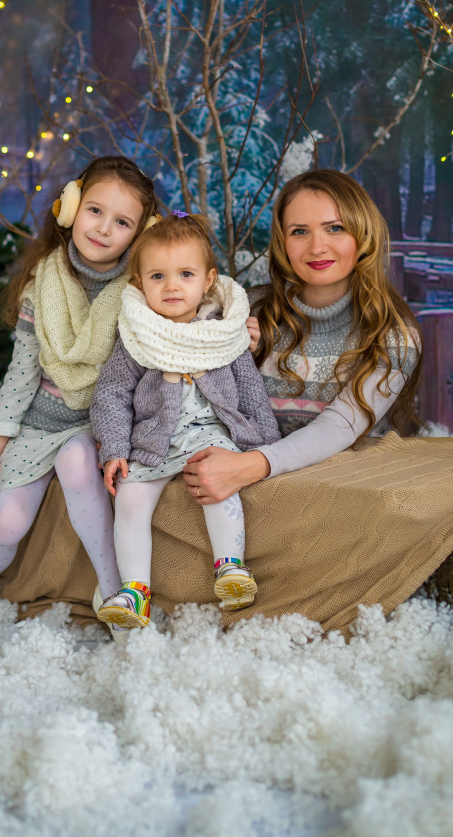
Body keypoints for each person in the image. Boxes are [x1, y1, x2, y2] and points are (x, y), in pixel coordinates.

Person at [0, 155, 159, 617]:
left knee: (76, 456)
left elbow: (188, 314)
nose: (104, 228)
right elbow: (18, 380)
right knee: (6, 523)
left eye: (122, 221)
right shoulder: (42, 284)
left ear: (141, 234)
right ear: (70, 208)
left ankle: (114, 594)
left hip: (97, 424)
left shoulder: (139, 292)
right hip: (36, 428)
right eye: (95, 210)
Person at [181, 168, 422, 503]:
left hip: (345, 492)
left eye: (335, 228)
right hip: (245, 485)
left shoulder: (394, 335)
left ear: (362, 235)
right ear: (283, 242)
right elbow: (185, 384)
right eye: (299, 232)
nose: (317, 247)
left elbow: (340, 426)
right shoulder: (244, 309)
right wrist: (229, 358)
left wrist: (253, 465)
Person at [90, 212, 280, 629]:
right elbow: (112, 394)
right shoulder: (138, 334)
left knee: (218, 484)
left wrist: (266, 442)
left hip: (212, 435)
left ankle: (230, 567)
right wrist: (115, 449)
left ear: (208, 279)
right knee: (130, 500)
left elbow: (249, 388)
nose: (172, 286)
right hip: (155, 440)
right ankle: (134, 592)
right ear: (139, 283)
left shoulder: (223, 331)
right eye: (157, 276)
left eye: (185, 274)